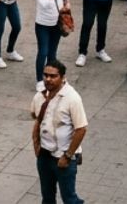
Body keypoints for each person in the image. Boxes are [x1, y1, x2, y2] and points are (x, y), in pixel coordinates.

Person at [31, 58, 88, 204]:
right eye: (45, 75)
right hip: (44, 155)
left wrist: (67, 156)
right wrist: (36, 145)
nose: (48, 79)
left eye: (53, 76)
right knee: (47, 197)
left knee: (69, 199)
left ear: (63, 78)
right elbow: (36, 119)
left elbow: (81, 129)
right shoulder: (39, 97)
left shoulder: (72, 98)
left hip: (64, 158)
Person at [33, 0, 71, 91]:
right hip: (43, 24)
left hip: (56, 23)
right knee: (43, 51)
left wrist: (67, 4)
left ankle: (52, 77)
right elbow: (44, 3)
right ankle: (39, 79)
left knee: (52, 52)